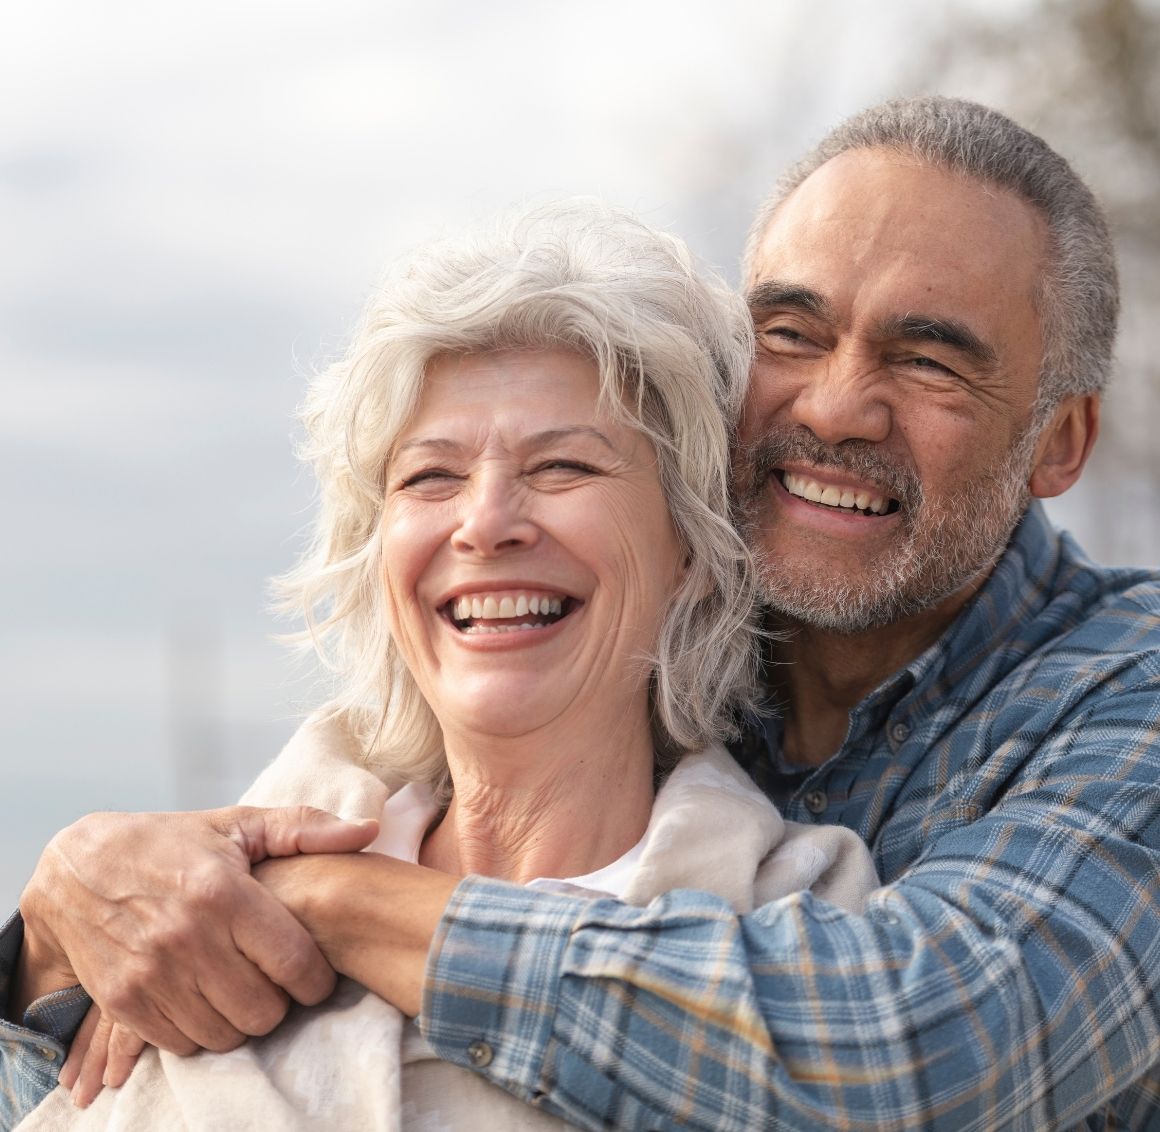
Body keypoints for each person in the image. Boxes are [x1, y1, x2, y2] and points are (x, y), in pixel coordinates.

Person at [4, 94, 1159, 1129]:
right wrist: (60, 921)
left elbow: (924, 1053)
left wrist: (320, 899)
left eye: (927, 361)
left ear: (1057, 441)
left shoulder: (1125, 698)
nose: (838, 404)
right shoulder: (407, 754)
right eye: (791, 333)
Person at [5, 202, 879, 1129]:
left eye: (563, 467)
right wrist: (44, 954)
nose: (486, 521)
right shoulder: (186, 914)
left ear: (692, 552)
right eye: (431, 476)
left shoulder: (802, 920)